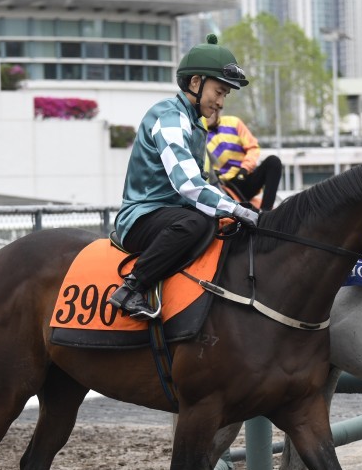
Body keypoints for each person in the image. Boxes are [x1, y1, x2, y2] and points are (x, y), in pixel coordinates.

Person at [107, 34, 260, 320]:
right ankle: (131, 289)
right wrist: (237, 208)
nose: (221, 102)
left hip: (170, 215)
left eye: (226, 94)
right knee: (198, 223)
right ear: (195, 83)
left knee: (221, 225)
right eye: (219, 91)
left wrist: (237, 213)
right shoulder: (169, 117)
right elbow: (188, 185)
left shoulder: (195, 125)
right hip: (141, 218)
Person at [205, 109, 282, 209]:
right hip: (222, 185)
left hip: (244, 177)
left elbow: (253, 147)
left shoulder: (234, 122)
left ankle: (266, 213)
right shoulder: (199, 135)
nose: (209, 115)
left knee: (274, 161)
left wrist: (245, 168)